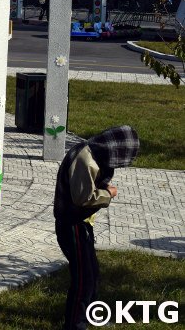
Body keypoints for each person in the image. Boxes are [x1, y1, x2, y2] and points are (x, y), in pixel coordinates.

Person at [53, 125, 140, 330]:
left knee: (93, 273)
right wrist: (108, 193)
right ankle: (76, 324)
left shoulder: (93, 153)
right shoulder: (85, 159)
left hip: (82, 224)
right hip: (72, 225)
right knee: (83, 279)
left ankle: (92, 315)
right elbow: (83, 198)